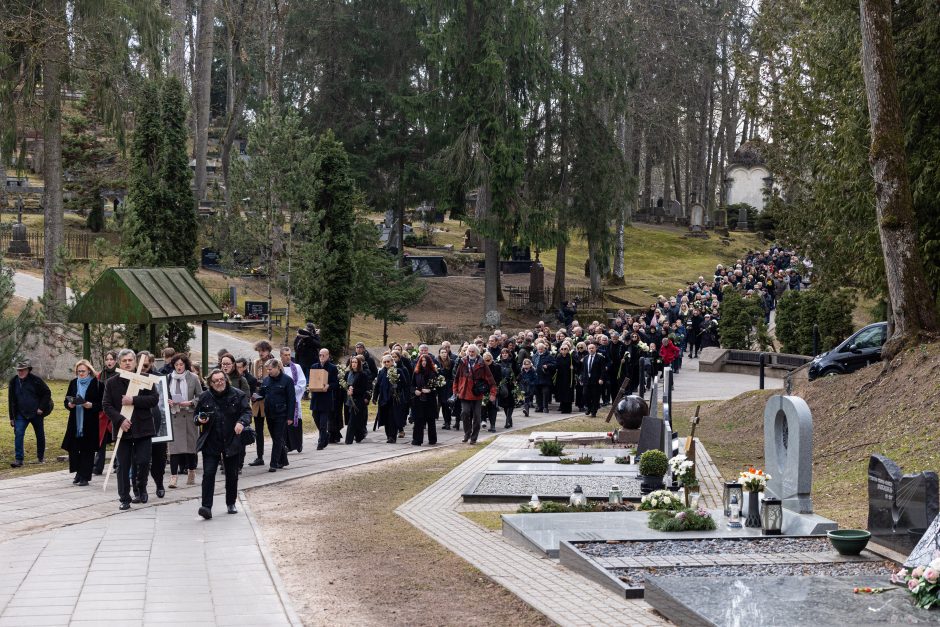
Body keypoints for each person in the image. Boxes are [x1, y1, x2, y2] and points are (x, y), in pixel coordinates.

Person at [102, 349, 159, 510]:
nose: (127, 363)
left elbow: (154, 399)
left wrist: (133, 400)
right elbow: (106, 405)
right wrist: (120, 420)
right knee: (123, 465)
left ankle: (140, 488)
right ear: (120, 363)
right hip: (123, 430)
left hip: (143, 427)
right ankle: (124, 498)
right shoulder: (111, 383)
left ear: (135, 362)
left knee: (143, 461)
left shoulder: (145, 379)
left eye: (130, 360)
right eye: (124, 361)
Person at [194, 369, 251, 519]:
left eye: (221, 379)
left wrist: (241, 422)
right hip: (211, 441)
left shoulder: (238, 394)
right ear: (210, 383)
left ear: (226, 380)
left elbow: (247, 412)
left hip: (231, 439)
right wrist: (200, 419)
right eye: (216, 381)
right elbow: (196, 415)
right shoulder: (204, 397)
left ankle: (231, 502)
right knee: (208, 474)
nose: (219, 382)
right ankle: (206, 506)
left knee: (231, 474)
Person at [61, 360, 103, 486]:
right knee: (74, 448)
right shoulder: (74, 383)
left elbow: (102, 404)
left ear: (89, 371)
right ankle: (78, 472)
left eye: (83, 371)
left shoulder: (97, 384)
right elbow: (66, 399)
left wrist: (90, 405)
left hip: (89, 422)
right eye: (79, 371)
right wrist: (69, 404)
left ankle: (85, 476)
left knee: (87, 450)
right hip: (75, 421)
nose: (81, 373)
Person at [8, 359, 53, 468]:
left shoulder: (36, 380)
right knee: (18, 433)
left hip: (36, 413)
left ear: (28, 370)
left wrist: (41, 408)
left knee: (40, 434)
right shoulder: (13, 382)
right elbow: (11, 400)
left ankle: (41, 457)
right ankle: (19, 459)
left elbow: (47, 393)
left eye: (23, 370)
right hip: (20, 414)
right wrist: (12, 417)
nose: (20, 372)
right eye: (19, 370)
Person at [166, 354, 202, 489]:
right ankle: (173, 477)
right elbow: (164, 395)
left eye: (181, 364)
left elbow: (200, 396)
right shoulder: (169, 378)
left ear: (185, 365)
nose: (179, 367)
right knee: (174, 449)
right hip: (174, 416)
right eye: (176, 365)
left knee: (190, 448)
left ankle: (191, 472)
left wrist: (190, 402)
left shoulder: (193, 378)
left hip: (189, 416)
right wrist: (169, 401)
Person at [452, 345, 496, 445]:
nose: (471, 353)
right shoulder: (462, 362)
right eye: (469, 351)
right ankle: (467, 433)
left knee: (477, 417)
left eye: (473, 352)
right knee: (465, 413)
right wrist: (455, 392)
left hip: (477, 394)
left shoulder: (482, 363)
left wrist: (493, 393)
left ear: (476, 352)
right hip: (464, 393)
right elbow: (457, 378)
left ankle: (474, 437)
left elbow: (491, 380)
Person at [257, 358, 294, 472]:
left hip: (281, 414)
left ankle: (274, 463)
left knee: (277, 438)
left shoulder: (287, 380)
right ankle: (283, 460)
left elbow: (291, 400)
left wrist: (290, 417)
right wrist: (255, 396)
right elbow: (262, 394)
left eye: (270, 369)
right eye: (267, 369)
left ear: (277, 367)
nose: (269, 371)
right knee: (276, 438)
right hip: (269, 413)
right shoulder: (266, 380)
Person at [93, 351, 119, 475]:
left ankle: (118, 464)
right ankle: (98, 466)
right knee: (101, 440)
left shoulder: (120, 374)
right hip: (103, 411)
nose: (109, 362)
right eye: (107, 359)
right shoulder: (100, 376)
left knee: (118, 438)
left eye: (111, 359)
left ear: (115, 360)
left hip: (116, 410)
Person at [248, 340, 273, 467]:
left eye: (263, 351)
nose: (260, 353)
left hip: (269, 401)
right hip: (257, 402)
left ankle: (279, 455)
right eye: (259, 351)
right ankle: (259, 456)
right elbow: (251, 381)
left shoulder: (274, 363)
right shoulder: (255, 363)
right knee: (258, 430)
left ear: (268, 351)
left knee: (274, 430)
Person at [308, 348, 338, 450]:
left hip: (326, 398)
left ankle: (321, 442)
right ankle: (325, 435)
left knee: (323, 423)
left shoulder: (333, 368)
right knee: (315, 417)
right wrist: (310, 386)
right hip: (316, 398)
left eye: (323, 355)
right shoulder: (314, 366)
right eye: (320, 355)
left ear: (328, 356)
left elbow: (336, 383)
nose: (321, 357)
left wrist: (328, 386)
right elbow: (311, 380)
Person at [372, 354, 405, 443]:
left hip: (394, 399)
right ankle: (388, 436)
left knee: (393, 418)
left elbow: (404, 384)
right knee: (386, 418)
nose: (386, 363)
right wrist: (375, 397)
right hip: (383, 398)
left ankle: (392, 436)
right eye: (385, 362)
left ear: (392, 362)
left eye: (388, 361)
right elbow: (378, 385)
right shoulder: (381, 372)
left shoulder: (398, 371)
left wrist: (396, 386)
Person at [279, 347, 306, 453]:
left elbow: (302, 383)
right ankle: (285, 445)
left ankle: (298, 444)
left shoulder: (297, 367)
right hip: (282, 400)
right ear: (281, 356)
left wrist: (290, 391)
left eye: (289, 354)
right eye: (285, 355)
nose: (288, 357)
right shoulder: (278, 367)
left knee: (295, 422)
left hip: (294, 399)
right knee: (284, 423)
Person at [411, 354, 439, 445]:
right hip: (419, 399)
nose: (424, 362)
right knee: (418, 420)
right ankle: (417, 440)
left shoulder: (433, 372)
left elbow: (438, 387)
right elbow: (411, 385)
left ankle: (432, 439)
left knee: (430, 421)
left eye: (425, 361)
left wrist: (430, 390)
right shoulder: (416, 372)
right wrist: (415, 391)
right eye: (422, 360)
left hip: (430, 400)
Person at [343, 356, 370, 444]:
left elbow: (364, 389)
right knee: (355, 420)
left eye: (355, 362)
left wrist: (353, 391)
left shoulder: (363, 375)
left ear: (359, 364)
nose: (354, 364)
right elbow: (344, 385)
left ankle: (348, 440)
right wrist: (348, 389)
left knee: (352, 420)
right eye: (352, 362)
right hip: (348, 400)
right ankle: (360, 435)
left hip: (358, 400)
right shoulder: (347, 374)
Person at [580, 342, 607, 417]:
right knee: (585, 395)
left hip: (596, 380)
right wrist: (582, 379)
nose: (591, 350)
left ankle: (594, 411)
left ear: (595, 349)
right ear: (587, 349)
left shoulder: (600, 358)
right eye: (589, 348)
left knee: (595, 396)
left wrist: (601, 378)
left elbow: (603, 370)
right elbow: (583, 370)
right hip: (586, 380)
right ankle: (588, 408)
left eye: (592, 348)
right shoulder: (585, 358)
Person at [552, 343, 577, 415]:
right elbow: (555, 365)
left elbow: (577, 365)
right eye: (562, 349)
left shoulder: (571, 357)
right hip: (561, 378)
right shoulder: (558, 357)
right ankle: (563, 408)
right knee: (562, 393)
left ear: (568, 350)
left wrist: (573, 368)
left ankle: (568, 409)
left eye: (565, 349)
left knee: (568, 394)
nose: (563, 350)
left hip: (569, 378)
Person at [481, 352, 501, 433]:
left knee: (493, 408)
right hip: (483, 390)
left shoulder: (497, 367)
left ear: (492, 359)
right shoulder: (481, 367)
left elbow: (499, 379)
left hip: (493, 389)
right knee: (483, 406)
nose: (487, 361)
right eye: (485, 359)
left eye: (489, 359)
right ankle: (483, 420)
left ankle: (493, 425)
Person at [437, 348, 456, 430]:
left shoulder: (451, 362)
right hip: (441, 386)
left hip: (449, 385)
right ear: (439, 354)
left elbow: (454, 373)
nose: (444, 354)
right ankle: (446, 421)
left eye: (445, 352)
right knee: (443, 405)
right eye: (442, 352)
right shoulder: (437, 362)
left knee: (448, 403)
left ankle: (448, 422)